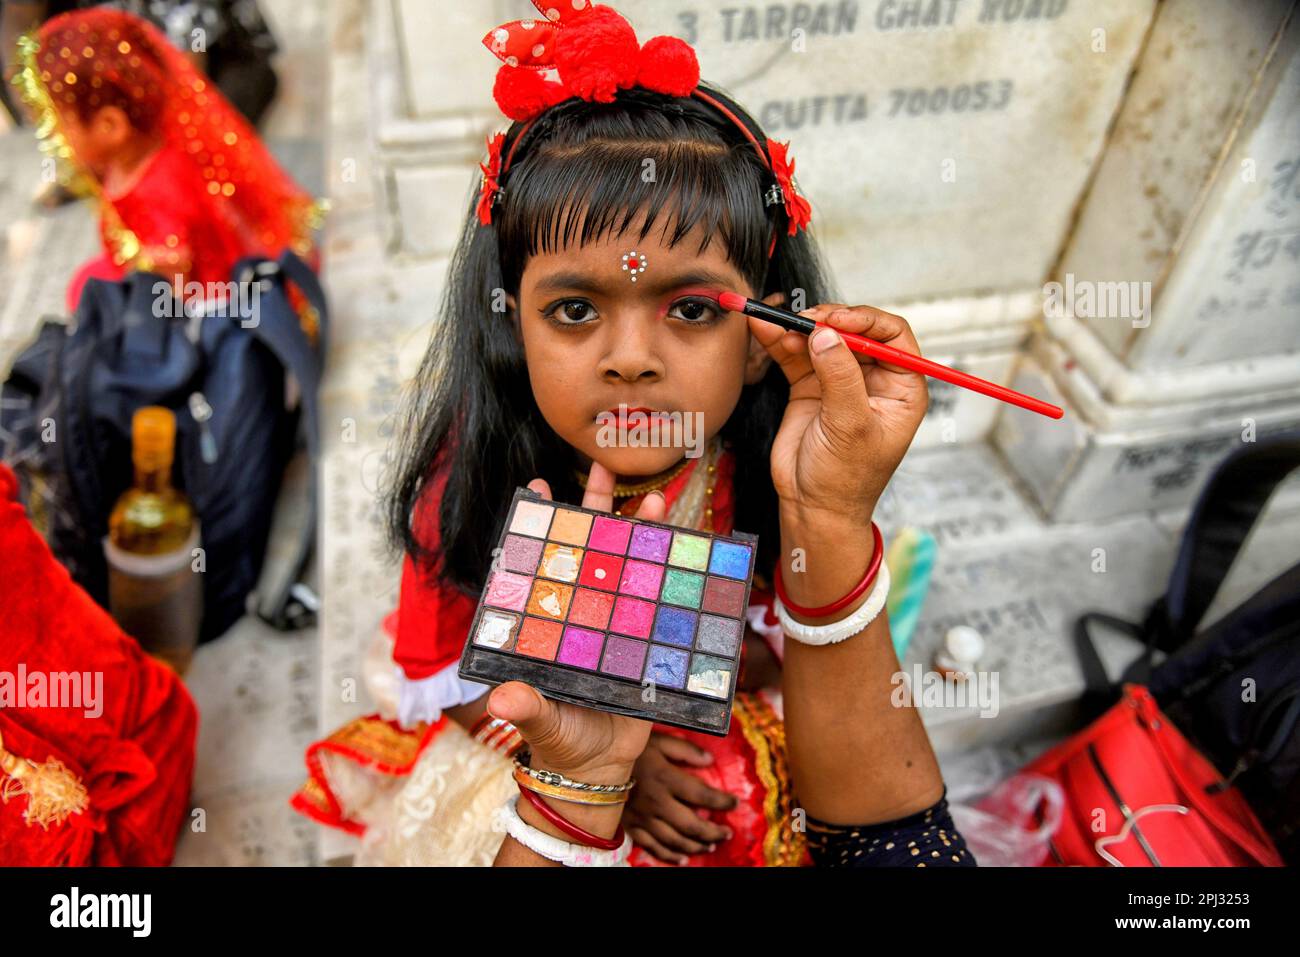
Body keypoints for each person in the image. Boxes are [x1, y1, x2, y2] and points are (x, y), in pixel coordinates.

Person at [293, 0, 972, 868]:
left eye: (692, 309)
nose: (631, 360)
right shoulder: (468, 476)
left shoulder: (765, 473)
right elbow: (454, 685)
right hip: (532, 742)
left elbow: (769, 654)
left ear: (767, 340)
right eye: (574, 310)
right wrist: (606, 757)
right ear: (511, 325)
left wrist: (674, 682)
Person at [10, 7, 318, 313]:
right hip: (157, 271)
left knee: (91, 296)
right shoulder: (124, 161)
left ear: (111, 126)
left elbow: (176, 283)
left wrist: (139, 302)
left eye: (59, 122)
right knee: (87, 284)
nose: (53, 135)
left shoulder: (160, 189)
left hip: (199, 298)